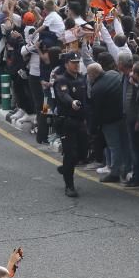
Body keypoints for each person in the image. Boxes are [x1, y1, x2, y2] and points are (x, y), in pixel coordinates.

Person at [53, 52, 87, 198]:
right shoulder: (61, 80)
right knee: (70, 153)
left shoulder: (82, 79)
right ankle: (69, 185)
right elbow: (64, 95)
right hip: (67, 121)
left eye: (77, 62)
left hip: (80, 121)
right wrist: (72, 102)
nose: (76, 65)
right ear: (66, 64)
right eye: (73, 62)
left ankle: (66, 167)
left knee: (82, 153)